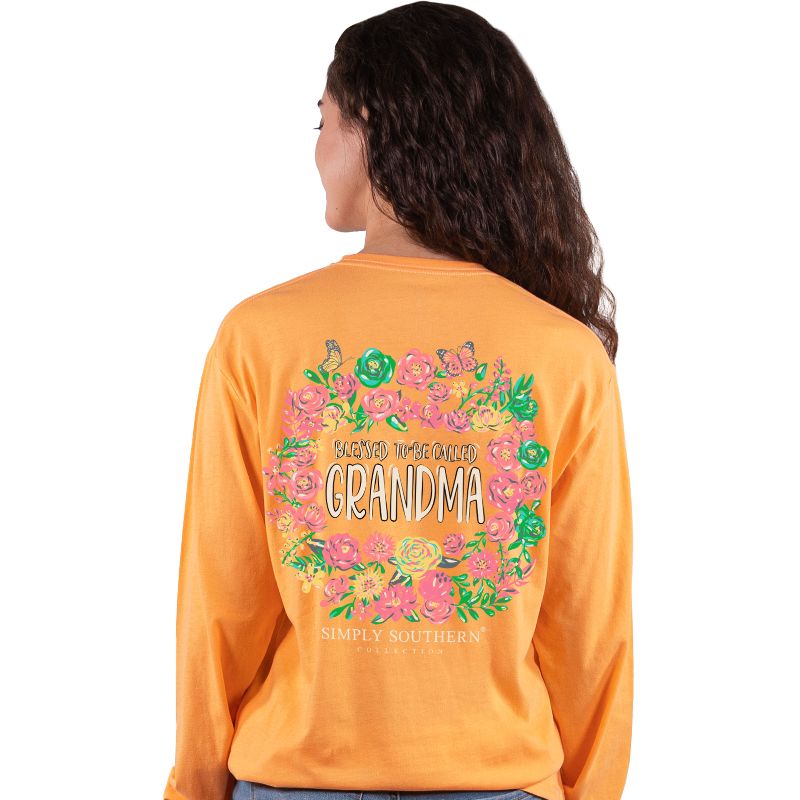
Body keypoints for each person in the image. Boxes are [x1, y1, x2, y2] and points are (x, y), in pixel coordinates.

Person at [162, 3, 634, 800]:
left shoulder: (260, 336)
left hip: (294, 783)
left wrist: (193, 789)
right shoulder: (564, 354)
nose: (316, 147)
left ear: (373, 126)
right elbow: (590, 631)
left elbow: (220, 611)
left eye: (322, 119)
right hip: (501, 783)